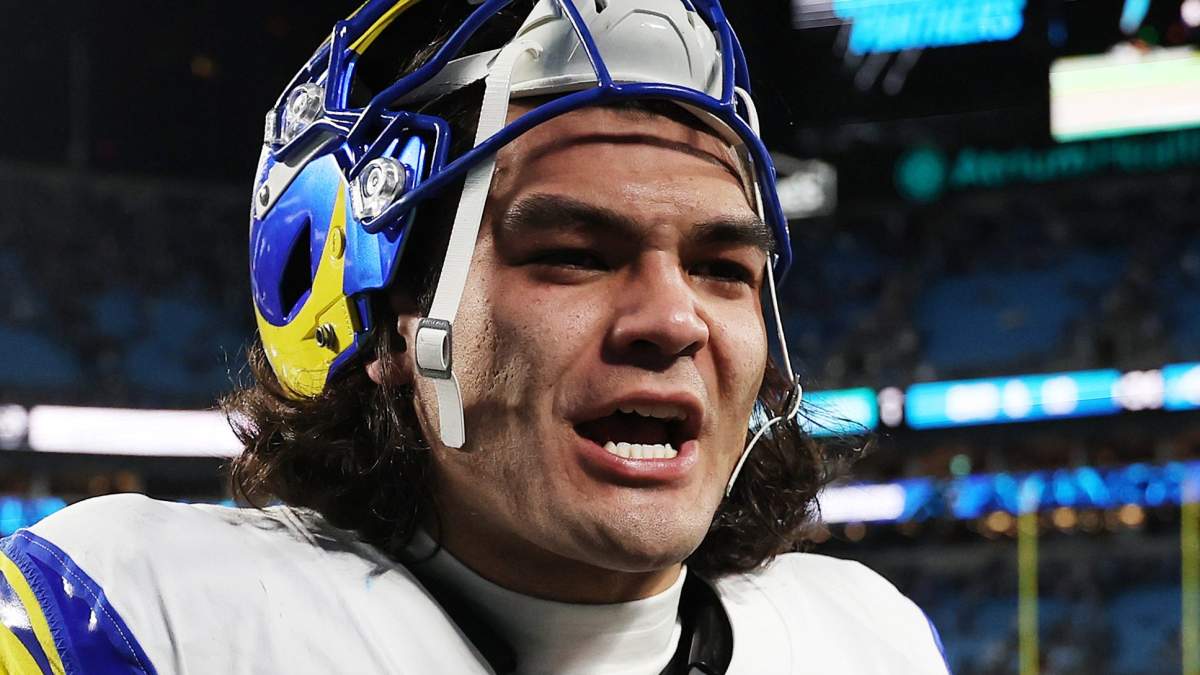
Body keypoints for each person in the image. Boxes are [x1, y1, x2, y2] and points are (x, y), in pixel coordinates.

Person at [0, 1, 950, 673]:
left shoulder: (868, 639)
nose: (672, 320)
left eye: (723, 268)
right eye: (575, 254)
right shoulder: (140, 620)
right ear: (387, 318)